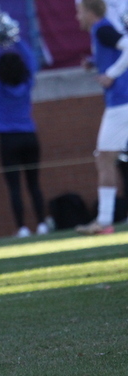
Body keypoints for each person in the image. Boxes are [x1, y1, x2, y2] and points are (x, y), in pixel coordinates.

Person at [0, 39, 48, 238]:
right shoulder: (28, 83)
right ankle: (42, 224)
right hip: (29, 137)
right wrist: (17, 40)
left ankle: (22, 228)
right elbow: (31, 62)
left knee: (14, 186)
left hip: (8, 140)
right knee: (34, 183)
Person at [75, 0, 128, 235]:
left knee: (105, 157)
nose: (77, 17)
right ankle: (104, 220)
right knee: (108, 157)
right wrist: (95, 64)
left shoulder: (102, 28)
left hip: (121, 102)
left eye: (79, 12)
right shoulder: (102, 31)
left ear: (88, 12)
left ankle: (104, 221)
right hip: (120, 101)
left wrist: (110, 74)